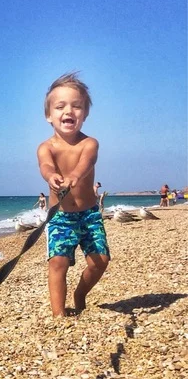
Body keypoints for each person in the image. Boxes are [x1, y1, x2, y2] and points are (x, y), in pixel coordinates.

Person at [37, 72, 110, 317]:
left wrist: (75, 176)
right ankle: (58, 314)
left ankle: (80, 293)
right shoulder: (46, 147)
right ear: (49, 115)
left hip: (89, 215)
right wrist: (51, 177)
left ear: (85, 114)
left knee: (100, 261)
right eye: (60, 106)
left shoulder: (89, 143)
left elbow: (87, 162)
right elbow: (45, 165)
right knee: (57, 263)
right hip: (61, 217)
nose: (69, 111)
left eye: (77, 106)